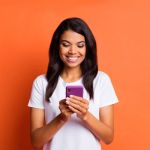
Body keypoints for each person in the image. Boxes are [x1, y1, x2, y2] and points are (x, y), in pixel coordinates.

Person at [28, 17, 119, 150]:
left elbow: (108, 138)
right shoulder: (41, 83)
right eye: (65, 44)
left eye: (80, 45)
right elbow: (36, 141)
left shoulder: (101, 80)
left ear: (87, 47)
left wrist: (85, 115)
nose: (73, 51)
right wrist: (61, 118)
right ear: (57, 46)